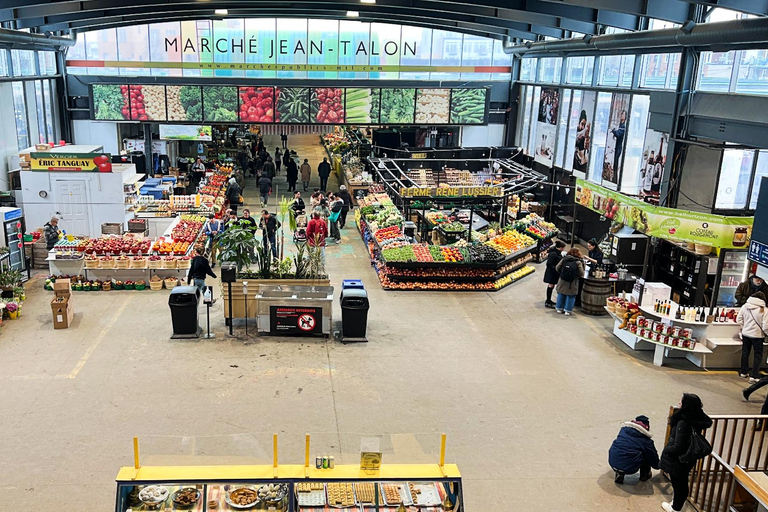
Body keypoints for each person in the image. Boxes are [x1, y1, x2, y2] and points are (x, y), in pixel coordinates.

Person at [659, 394, 712, 512]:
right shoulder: (697, 417)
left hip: (679, 459)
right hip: (689, 458)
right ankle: (676, 503)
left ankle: (675, 508)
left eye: (682, 402)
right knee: (682, 483)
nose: (679, 403)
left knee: (679, 484)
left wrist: (666, 450)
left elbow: (679, 446)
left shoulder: (683, 422)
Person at [608, 415, 659, 484]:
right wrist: (659, 465)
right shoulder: (646, 441)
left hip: (613, 462)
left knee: (623, 449)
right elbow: (653, 458)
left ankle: (619, 474)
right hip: (630, 467)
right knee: (647, 454)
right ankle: (645, 475)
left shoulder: (623, 431)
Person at [736, 291, 768, 381]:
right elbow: (765, 325)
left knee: (745, 353)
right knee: (758, 355)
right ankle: (754, 375)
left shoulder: (745, 307)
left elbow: (739, 319)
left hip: (746, 334)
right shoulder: (764, 310)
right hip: (758, 336)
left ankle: (743, 372)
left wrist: (744, 327)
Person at [555, 248, 585, 316]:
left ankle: (559, 308)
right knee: (571, 296)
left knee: (561, 294)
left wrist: (562, 274)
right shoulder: (578, 262)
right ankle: (567, 310)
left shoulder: (564, 259)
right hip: (572, 282)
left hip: (562, 280)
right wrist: (576, 276)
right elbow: (581, 273)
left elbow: (557, 267)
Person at [543, 240, 566, 309]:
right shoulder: (554, 254)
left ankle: (549, 300)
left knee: (551, 286)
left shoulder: (556, 252)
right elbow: (549, 264)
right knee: (551, 285)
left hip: (554, 272)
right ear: (561, 248)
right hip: (552, 273)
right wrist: (556, 268)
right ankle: (548, 301)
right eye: (563, 248)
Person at [610, 110, 627, 179]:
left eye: (623, 114)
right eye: (621, 114)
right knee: (614, 163)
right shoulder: (620, 124)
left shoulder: (623, 126)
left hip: (619, 147)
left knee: (616, 163)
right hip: (616, 146)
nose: (622, 115)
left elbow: (618, 134)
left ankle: (615, 179)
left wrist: (613, 130)